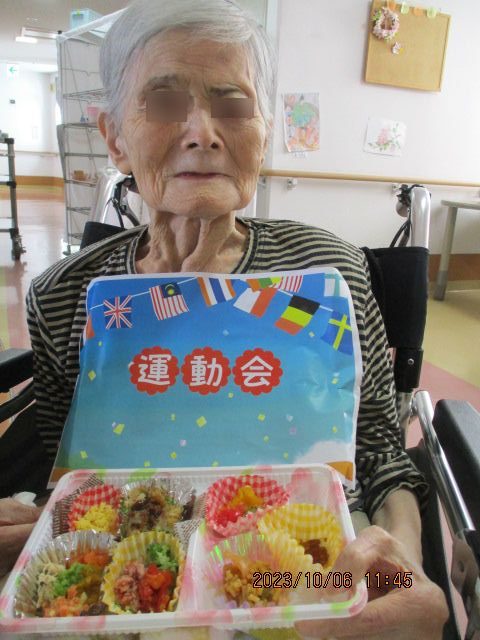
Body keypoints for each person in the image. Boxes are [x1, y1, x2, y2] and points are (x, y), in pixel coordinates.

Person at [1, 0, 448, 636]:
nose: (203, 132)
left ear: (265, 132)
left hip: (313, 587)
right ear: (115, 139)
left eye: (233, 105)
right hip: (135, 598)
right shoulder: (66, 296)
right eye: (163, 102)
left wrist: (407, 573)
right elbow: (71, 490)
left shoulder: (333, 273)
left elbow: (380, 459)